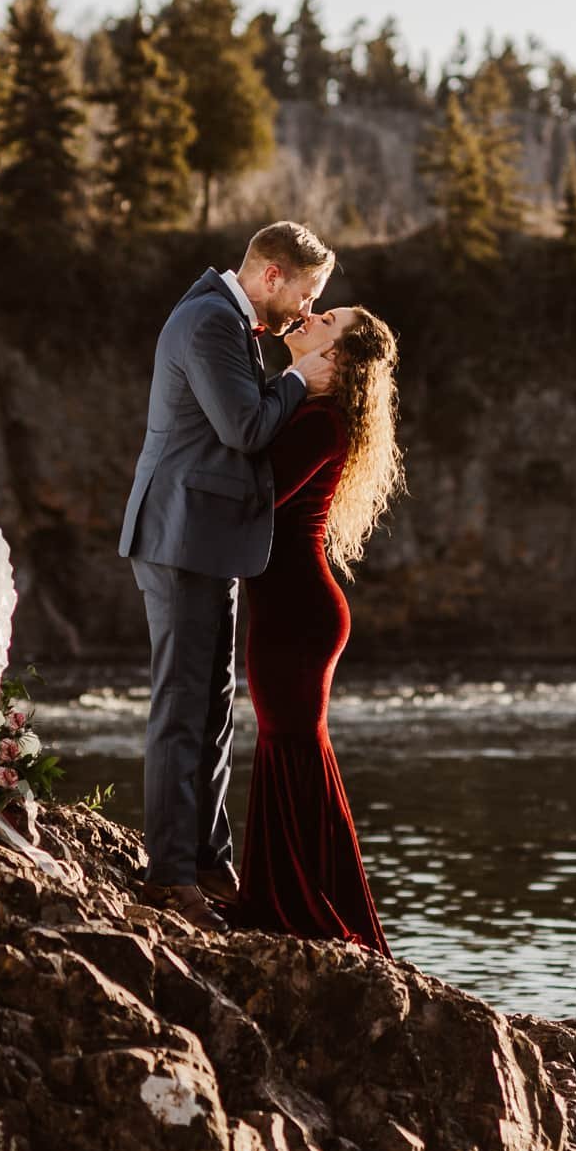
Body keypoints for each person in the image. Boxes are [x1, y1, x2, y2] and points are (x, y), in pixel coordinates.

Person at [119, 222, 337, 931]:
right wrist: (302, 379)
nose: (305, 311)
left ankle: (209, 860)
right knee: (181, 708)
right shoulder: (210, 321)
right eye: (305, 293)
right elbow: (245, 426)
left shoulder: (227, 321)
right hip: (180, 537)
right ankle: (168, 875)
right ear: (272, 275)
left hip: (210, 540)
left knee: (212, 708)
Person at [222, 305, 403, 956]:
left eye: (327, 316)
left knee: (290, 747)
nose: (310, 314)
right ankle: (288, 897)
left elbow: (257, 495)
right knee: (288, 747)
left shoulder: (324, 423)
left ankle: (298, 905)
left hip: (298, 612)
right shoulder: (309, 411)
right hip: (291, 607)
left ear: (343, 356)